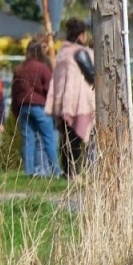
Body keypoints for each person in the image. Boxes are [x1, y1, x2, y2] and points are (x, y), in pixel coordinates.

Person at [47, 18, 95, 177]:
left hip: (64, 101)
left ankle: (67, 171)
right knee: (76, 139)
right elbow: (91, 75)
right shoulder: (80, 52)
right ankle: (74, 172)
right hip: (78, 102)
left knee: (66, 139)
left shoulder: (63, 51)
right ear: (81, 35)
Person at [11, 37, 59, 177]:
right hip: (40, 106)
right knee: (48, 139)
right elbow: (50, 90)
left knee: (28, 141)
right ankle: (55, 171)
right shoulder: (42, 68)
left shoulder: (19, 69)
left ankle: (29, 172)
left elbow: (14, 91)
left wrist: (15, 111)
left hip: (23, 107)